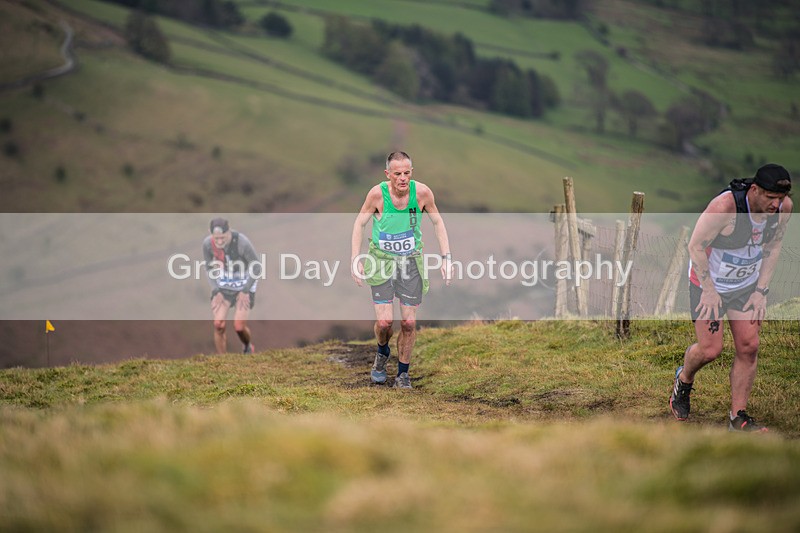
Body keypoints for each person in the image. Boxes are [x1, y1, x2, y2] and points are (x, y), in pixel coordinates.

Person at [670, 164, 792, 431]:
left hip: (746, 286)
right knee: (710, 350)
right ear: (755, 189)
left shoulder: (784, 209)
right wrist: (709, 290)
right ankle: (684, 378)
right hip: (709, 283)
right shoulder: (724, 207)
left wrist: (761, 291)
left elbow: (773, 247)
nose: (776, 204)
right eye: (770, 197)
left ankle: (738, 417)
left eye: (780, 198)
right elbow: (695, 246)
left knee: (748, 347)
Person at [351, 151, 452, 389]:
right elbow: (359, 222)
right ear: (388, 174)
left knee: (408, 323)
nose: (403, 178)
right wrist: (355, 257)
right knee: (385, 322)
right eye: (397, 174)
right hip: (381, 261)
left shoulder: (423, 193)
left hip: (410, 262)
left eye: (407, 173)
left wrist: (446, 258)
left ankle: (402, 374)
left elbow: (438, 222)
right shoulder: (377, 195)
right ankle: (382, 351)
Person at [202, 217, 260, 354]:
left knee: (239, 327)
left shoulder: (242, 242)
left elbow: (257, 267)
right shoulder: (207, 244)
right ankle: (223, 361)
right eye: (216, 239)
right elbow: (209, 268)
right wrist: (216, 290)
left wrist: (245, 290)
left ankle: (247, 347)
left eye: (223, 237)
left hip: (244, 284)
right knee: (218, 324)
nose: (220, 241)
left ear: (229, 231)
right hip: (224, 285)